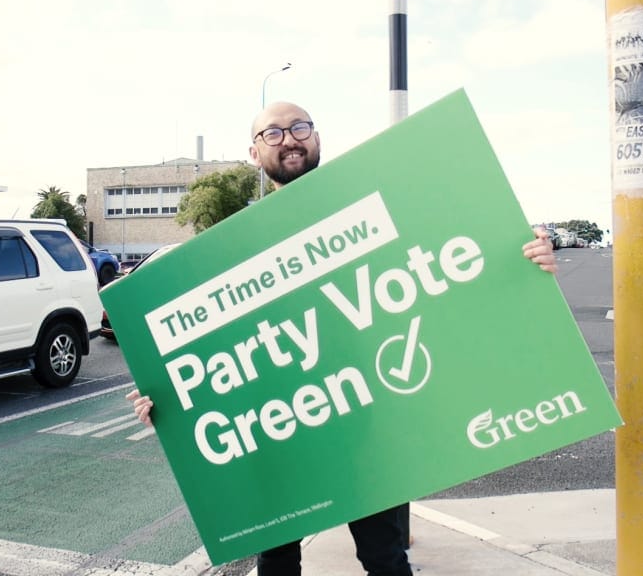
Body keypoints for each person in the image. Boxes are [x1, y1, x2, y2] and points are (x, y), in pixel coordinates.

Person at [127, 101, 557, 576]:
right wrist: (165, 402)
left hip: (368, 422)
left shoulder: (367, 202)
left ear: (316, 137)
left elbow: (443, 260)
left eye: (299, 128)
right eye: (273, 133)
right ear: (254, 152)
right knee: (277, 558)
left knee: (384, 557)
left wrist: (521, 255)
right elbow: (205, 348)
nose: (289, 139)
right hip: (278, 430)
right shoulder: (231, 245)